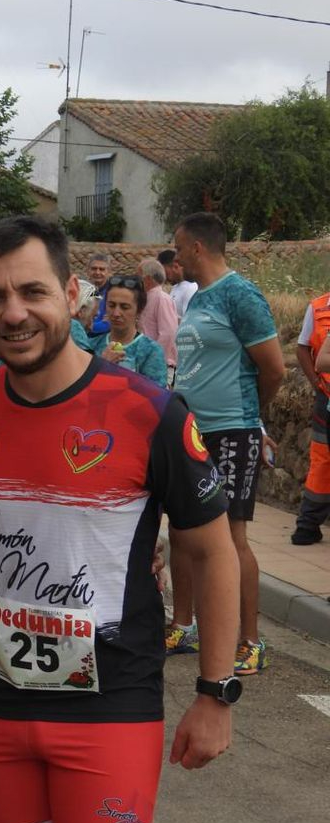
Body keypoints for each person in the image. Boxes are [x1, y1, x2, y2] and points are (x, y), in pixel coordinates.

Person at [0, 214, 240, 823]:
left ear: (69, 294)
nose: (14, 313)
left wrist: (215, 695)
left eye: (32, 291)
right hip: (0, 701)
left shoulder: (149, 410)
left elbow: (213, 553)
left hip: (110, 709)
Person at [173, 212, 284, 675]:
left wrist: (249, 418)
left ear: (198, 247)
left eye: (179, 247)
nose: (176, 256)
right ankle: (188, 627)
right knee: (185, 532)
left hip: (232, 432)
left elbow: (273, 369)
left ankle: (251, 642)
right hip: (192, 431)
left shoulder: (240, 294)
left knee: (233, 537)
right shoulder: (198, 298)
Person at [293, 291, 330, 544]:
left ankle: (308, 525)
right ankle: (307, 525)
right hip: (325, 398)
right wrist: (316, 383)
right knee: (321, 459)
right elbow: (302, 348)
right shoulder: (316, 307)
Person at [89, 274, 168, 387]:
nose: (116, 313)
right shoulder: (91, 345)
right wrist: (102, 366)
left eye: (124, 307)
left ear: (139, 310)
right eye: (111, 305)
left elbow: (156, 394)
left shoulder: (151, 351)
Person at [138, 258, 179, 379]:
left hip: (159, 365)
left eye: (138, 276)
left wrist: (153, 358)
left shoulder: (162, 298)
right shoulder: (147, 298)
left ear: (147, 279)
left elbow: (168, 333)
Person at [160, 247, 196, 318]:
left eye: (164, 270)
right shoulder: (174, 288)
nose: (164, 274)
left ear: (175, 266)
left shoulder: (190, 288)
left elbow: (188, 318)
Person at [84, 253, 112, 335]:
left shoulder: (113, 293)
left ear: (109, 272)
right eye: (94, 268)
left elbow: (109, 323)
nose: (97, 272)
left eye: (102, 269)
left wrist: (88, 326)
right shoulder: (81, 291)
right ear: (87, 270)